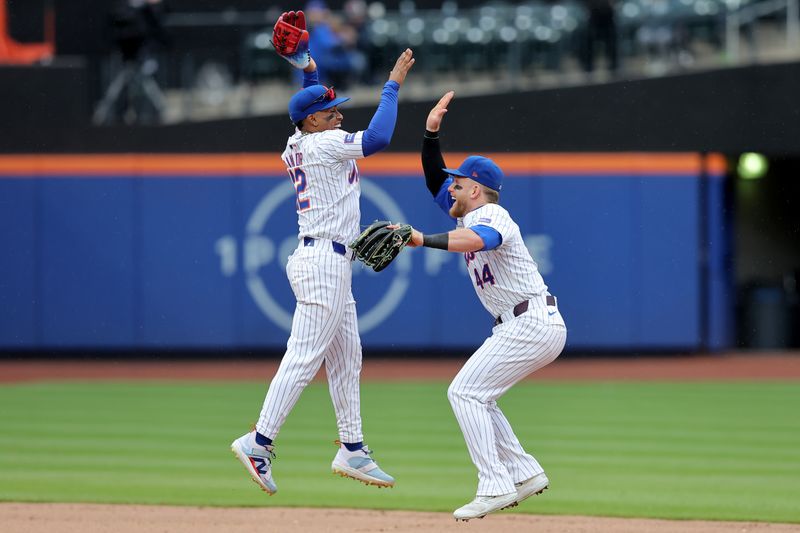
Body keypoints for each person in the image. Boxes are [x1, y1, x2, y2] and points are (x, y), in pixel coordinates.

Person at [230, 47, 415, 495]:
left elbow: (308, 101)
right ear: (313, 121)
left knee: (348, 357)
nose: (338, 116)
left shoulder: (300, 138)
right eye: (330, 112)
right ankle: (257, 442)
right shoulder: (324, 142)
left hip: (330, 259)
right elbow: (378, 139)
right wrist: (392, 86)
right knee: (303, 356)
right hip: (322, 263)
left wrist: (307, 66)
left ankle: (351, 447)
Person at [405, 91, 567, 520]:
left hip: (530, 321)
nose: (450, 187)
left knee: (464, 392)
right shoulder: (468, 212)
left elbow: (477, 243)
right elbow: (432, 178)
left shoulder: (493, 216)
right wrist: (430, 132)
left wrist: (421, 239)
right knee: (481, 397)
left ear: (475, 189)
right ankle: (524, 471)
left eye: (458, 183)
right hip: (523, 322)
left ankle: (494, 485)